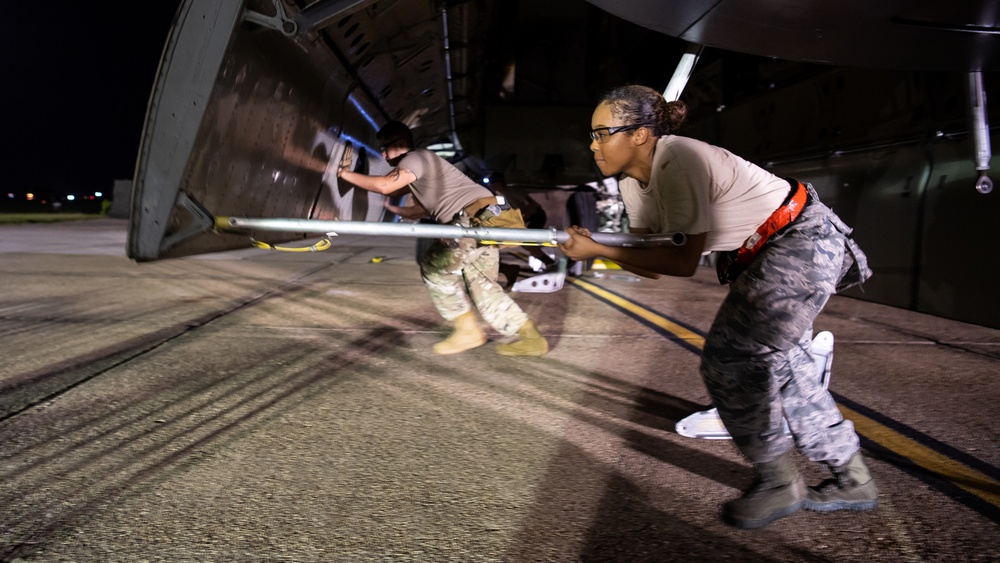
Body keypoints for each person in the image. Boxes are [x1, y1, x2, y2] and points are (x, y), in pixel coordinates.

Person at [558, 84, 877, 529]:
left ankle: (781, 482)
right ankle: (853, 478)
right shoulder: (633, 184)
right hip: (762, 254)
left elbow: (683, 260)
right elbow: (652, 261)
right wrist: (602, 245)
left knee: (733, 359)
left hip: (799, 239)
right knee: (784, 368)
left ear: (640, 135)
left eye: (602, 133)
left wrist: (597, 251)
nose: (592, 145)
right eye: (591, 134)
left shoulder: (679, 159)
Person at [337, 121, 548, 356]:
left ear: (402, 144)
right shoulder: (422, 168)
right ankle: (531, 338)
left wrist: (345, 174)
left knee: (434, 268)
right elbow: (406, 199)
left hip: (469, 221)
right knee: (484, 287)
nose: (384, 154)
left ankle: (467, 330)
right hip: (485, 219)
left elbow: (387, 185)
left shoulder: (414, 158)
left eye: (386, 148)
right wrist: (391, 206)